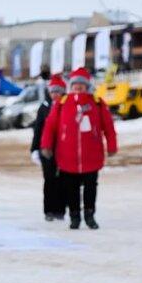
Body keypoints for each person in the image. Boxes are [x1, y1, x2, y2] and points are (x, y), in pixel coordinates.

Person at [40, 68, 118, 229]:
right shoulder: (62, 103)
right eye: (75, 84)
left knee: (91, 187)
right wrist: (46, 145)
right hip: (67, 155)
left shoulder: (97, 102)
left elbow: (108, 126)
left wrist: (112, 146)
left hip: (92, 154)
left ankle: (90, 215)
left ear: (87, 86)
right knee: (71, 188)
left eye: (81, 85)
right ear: (71, 86)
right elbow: (50, 126)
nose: (78, 87)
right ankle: (74, 216)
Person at [30, 74, 66, 220]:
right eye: (52, 91)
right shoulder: (44, 108)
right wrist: (34, 149)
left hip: (63, 149)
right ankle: (49, 211)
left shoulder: (67, 106)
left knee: (62, 180)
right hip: (46, 149)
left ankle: (60, 210)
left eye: (58, 92)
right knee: (49, 180)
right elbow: (37, 130)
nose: (55, 94)